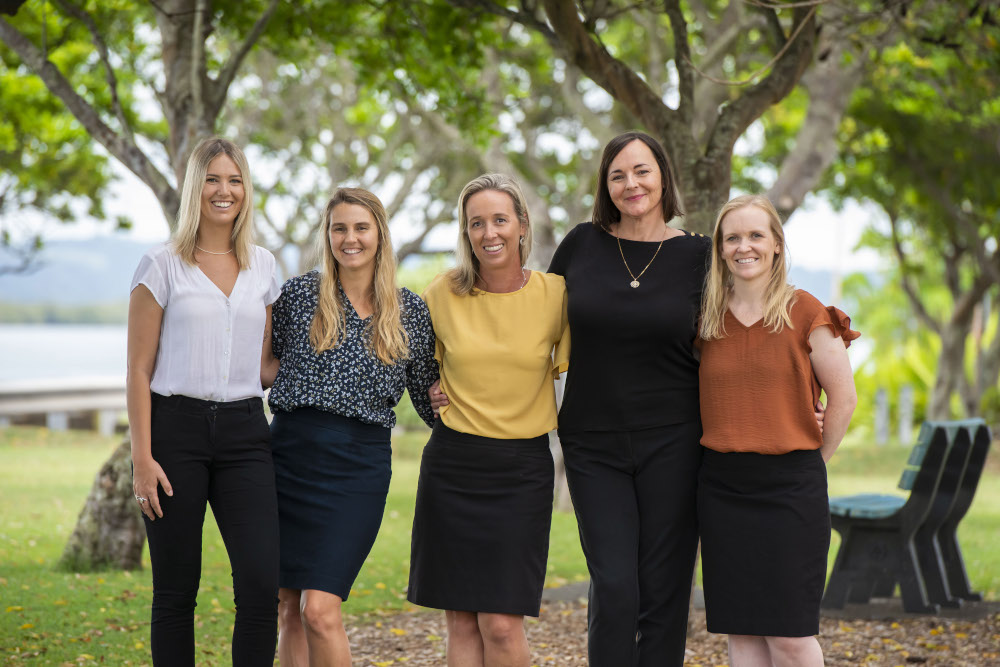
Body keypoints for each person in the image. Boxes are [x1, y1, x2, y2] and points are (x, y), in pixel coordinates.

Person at [546, 131, 708, 666]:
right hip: (593, 444)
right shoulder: (580, 245)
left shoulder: (701, 256)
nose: (631, 184)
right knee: (616, 587)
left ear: (663, 175)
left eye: (641, 171)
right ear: (605, 186)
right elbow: (533, 329)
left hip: (676, 441)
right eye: (617, 175)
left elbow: (738, 339)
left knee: (664, 591)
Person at [267, 187, 438, 667]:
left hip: (358, 467)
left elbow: (429, 398)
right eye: (339, 228)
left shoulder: (409, 311)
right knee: (288, 607)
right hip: (289, 456)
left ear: (380, 235)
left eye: (361, 227)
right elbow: (261, 368)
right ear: (327, 235)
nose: (350, 238)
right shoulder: (299, 295)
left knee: (320, 609)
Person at [127, 137, 281, 666]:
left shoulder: (263, 266)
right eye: (213, 179)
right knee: (175, 592)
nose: (224, 190)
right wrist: (142, 460)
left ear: (246, 190)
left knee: (262, 585)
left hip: (245, 434)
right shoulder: (160, 265)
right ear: (196, 187)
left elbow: (265, 368)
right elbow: (138, 370)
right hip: (174, 434)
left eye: (234, 180)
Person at [407, 173, 570, 667]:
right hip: (453, 465)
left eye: (500, 219)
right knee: (460, 620)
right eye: (476, 223)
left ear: (522, 225)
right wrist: (427, 394)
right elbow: (412, 365)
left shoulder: (556, 295)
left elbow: (595, 371)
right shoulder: (441, 294)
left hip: (522, 470)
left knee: (500, 624)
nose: (489, 233)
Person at [696, 194, 858, 667]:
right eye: (733, 238)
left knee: (789, 637)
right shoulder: (705, 318)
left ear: (776, 245)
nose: (743, 246)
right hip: (722, 490)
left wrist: (814, 460)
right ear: (720, 249)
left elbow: (843, 399)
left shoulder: (805, 312)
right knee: (742, 631)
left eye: (755, 235)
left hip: (792, 490)